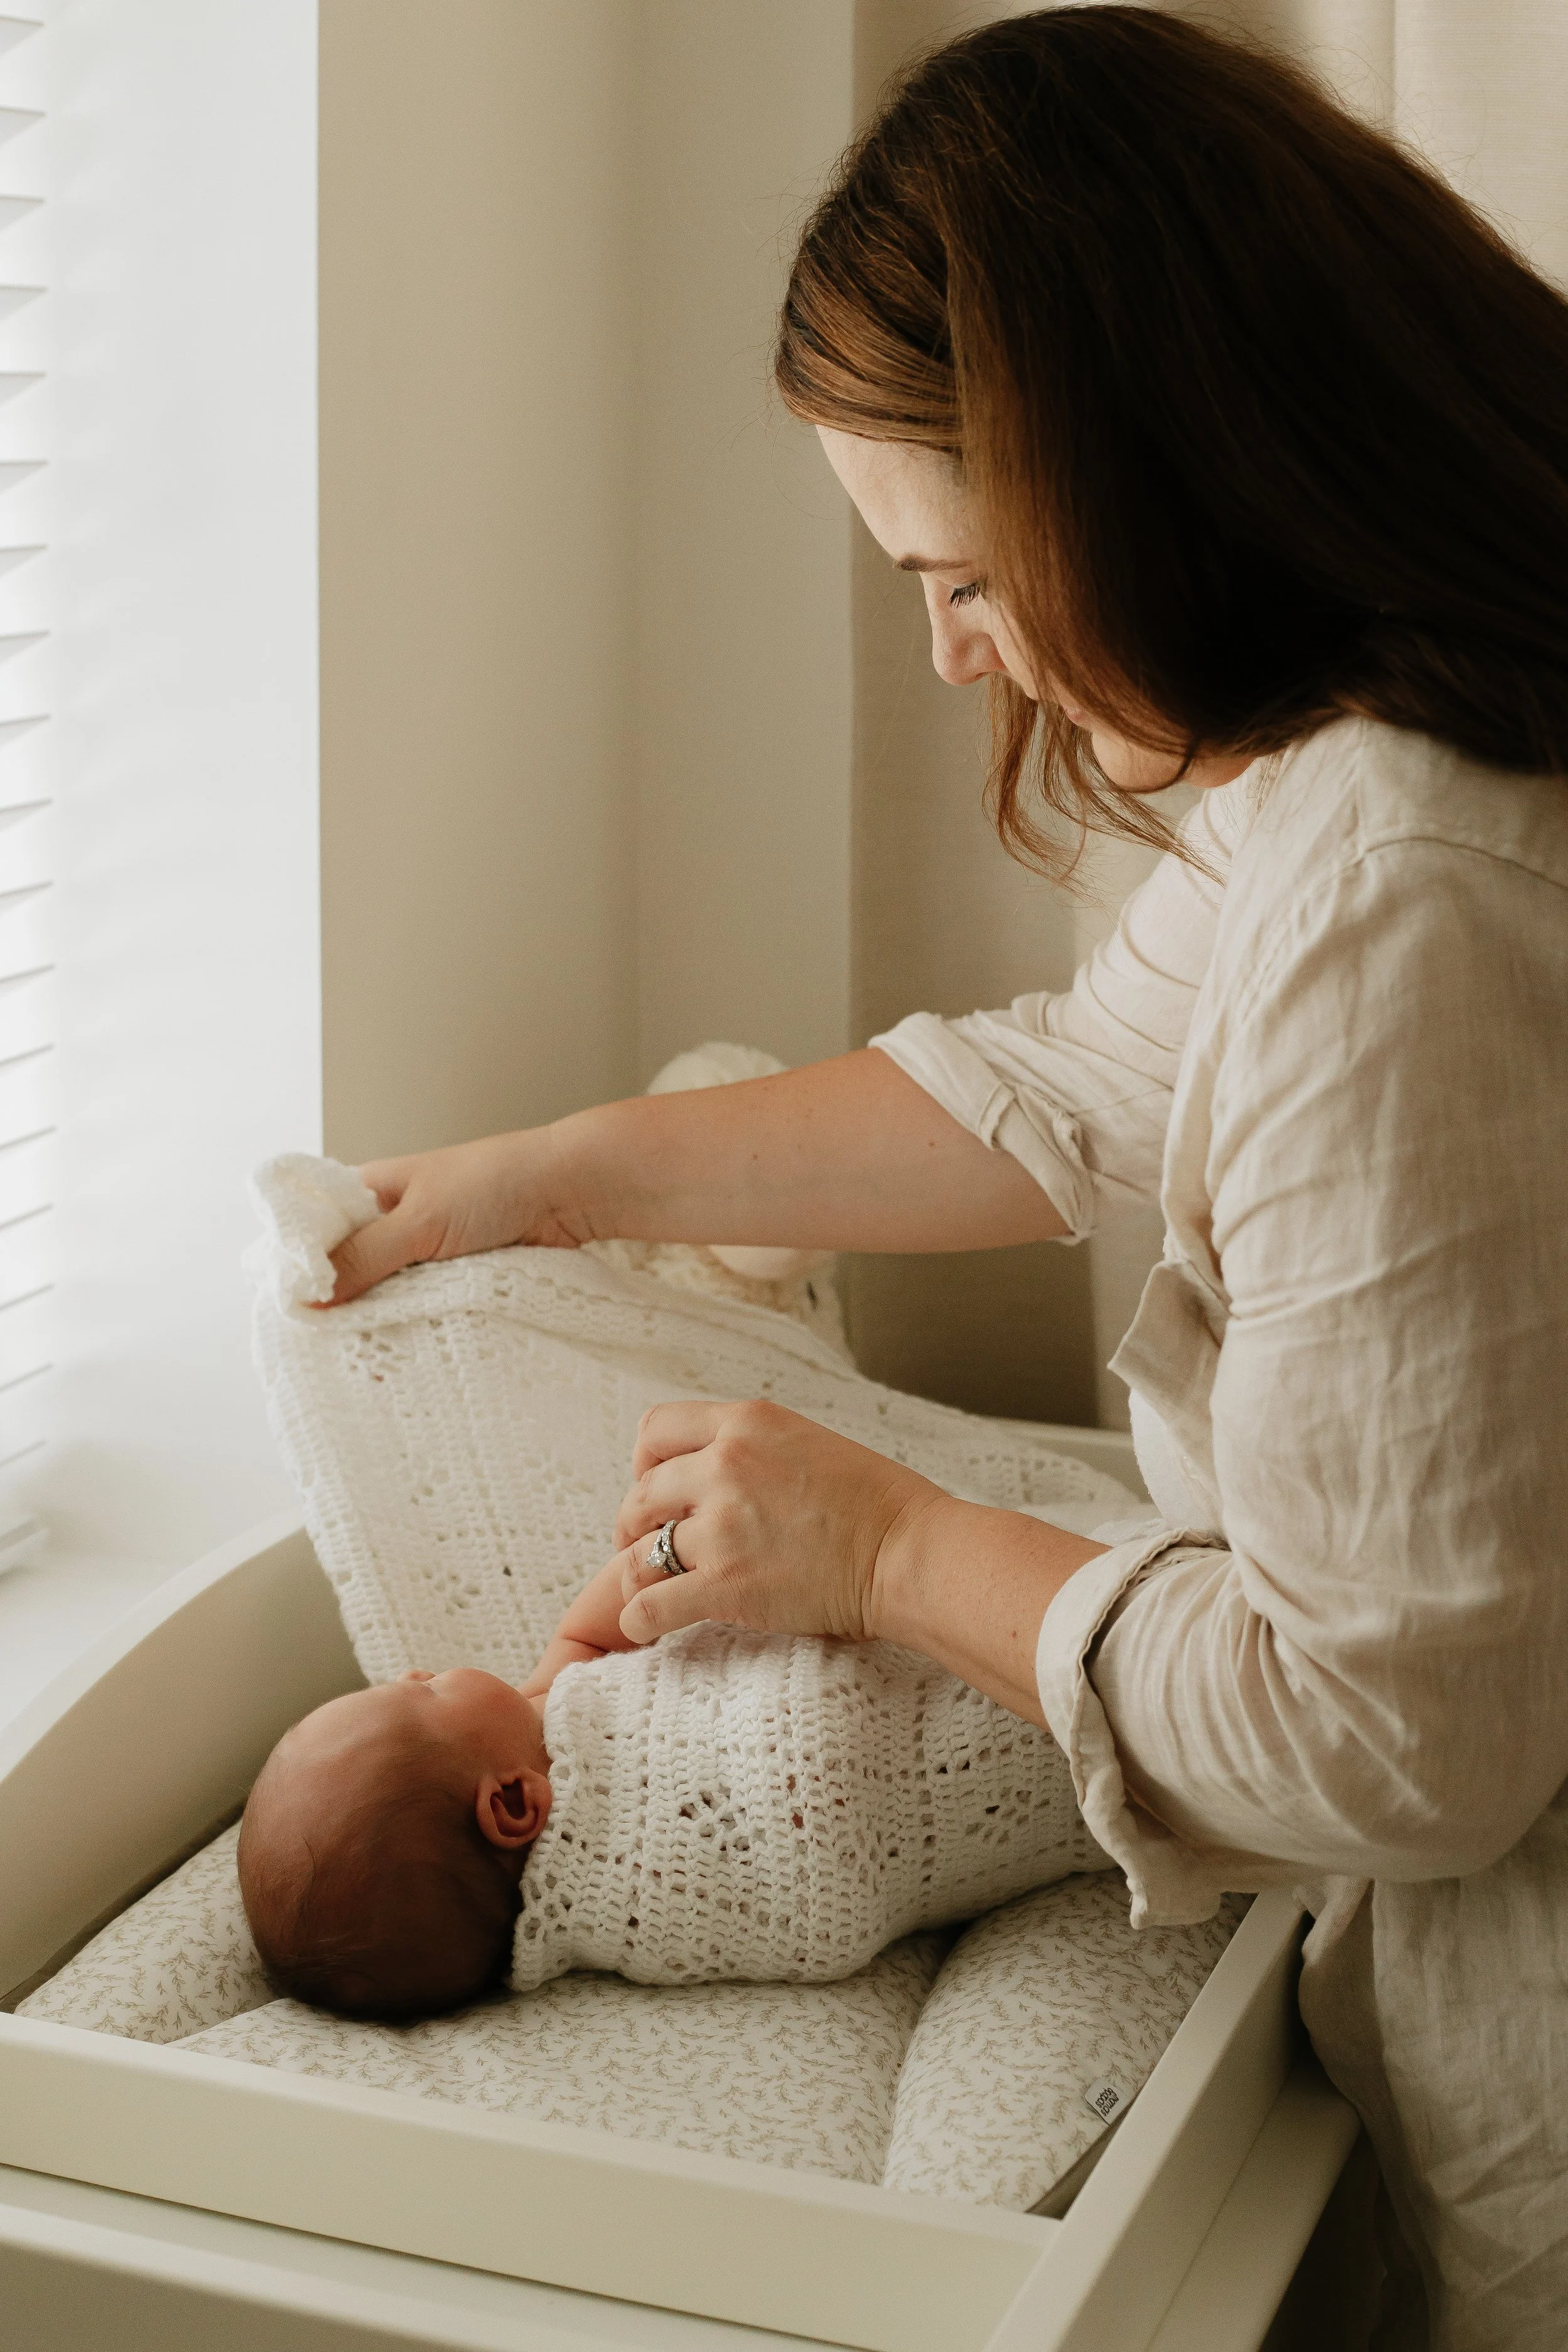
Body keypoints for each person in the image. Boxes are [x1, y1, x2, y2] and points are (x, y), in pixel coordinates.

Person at [322, 11, 1568, 2344]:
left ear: (1162, 473)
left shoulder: (1409, 893)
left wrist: (886, 1546)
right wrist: (535, 1184)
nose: (945, 648)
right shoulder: (1406, 760)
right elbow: (1080, 1077)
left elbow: (1394, 1736)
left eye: (965, 570)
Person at [237, 1557, 1104, 2020]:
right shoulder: (642, 1887)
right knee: (1079, 1663)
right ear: (510, 1805)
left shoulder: (541, 1714)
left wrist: (650, 1570)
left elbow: (592, 1633)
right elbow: (814, 1847)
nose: (423, 1666)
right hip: (899, 1730)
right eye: (420, 1692)